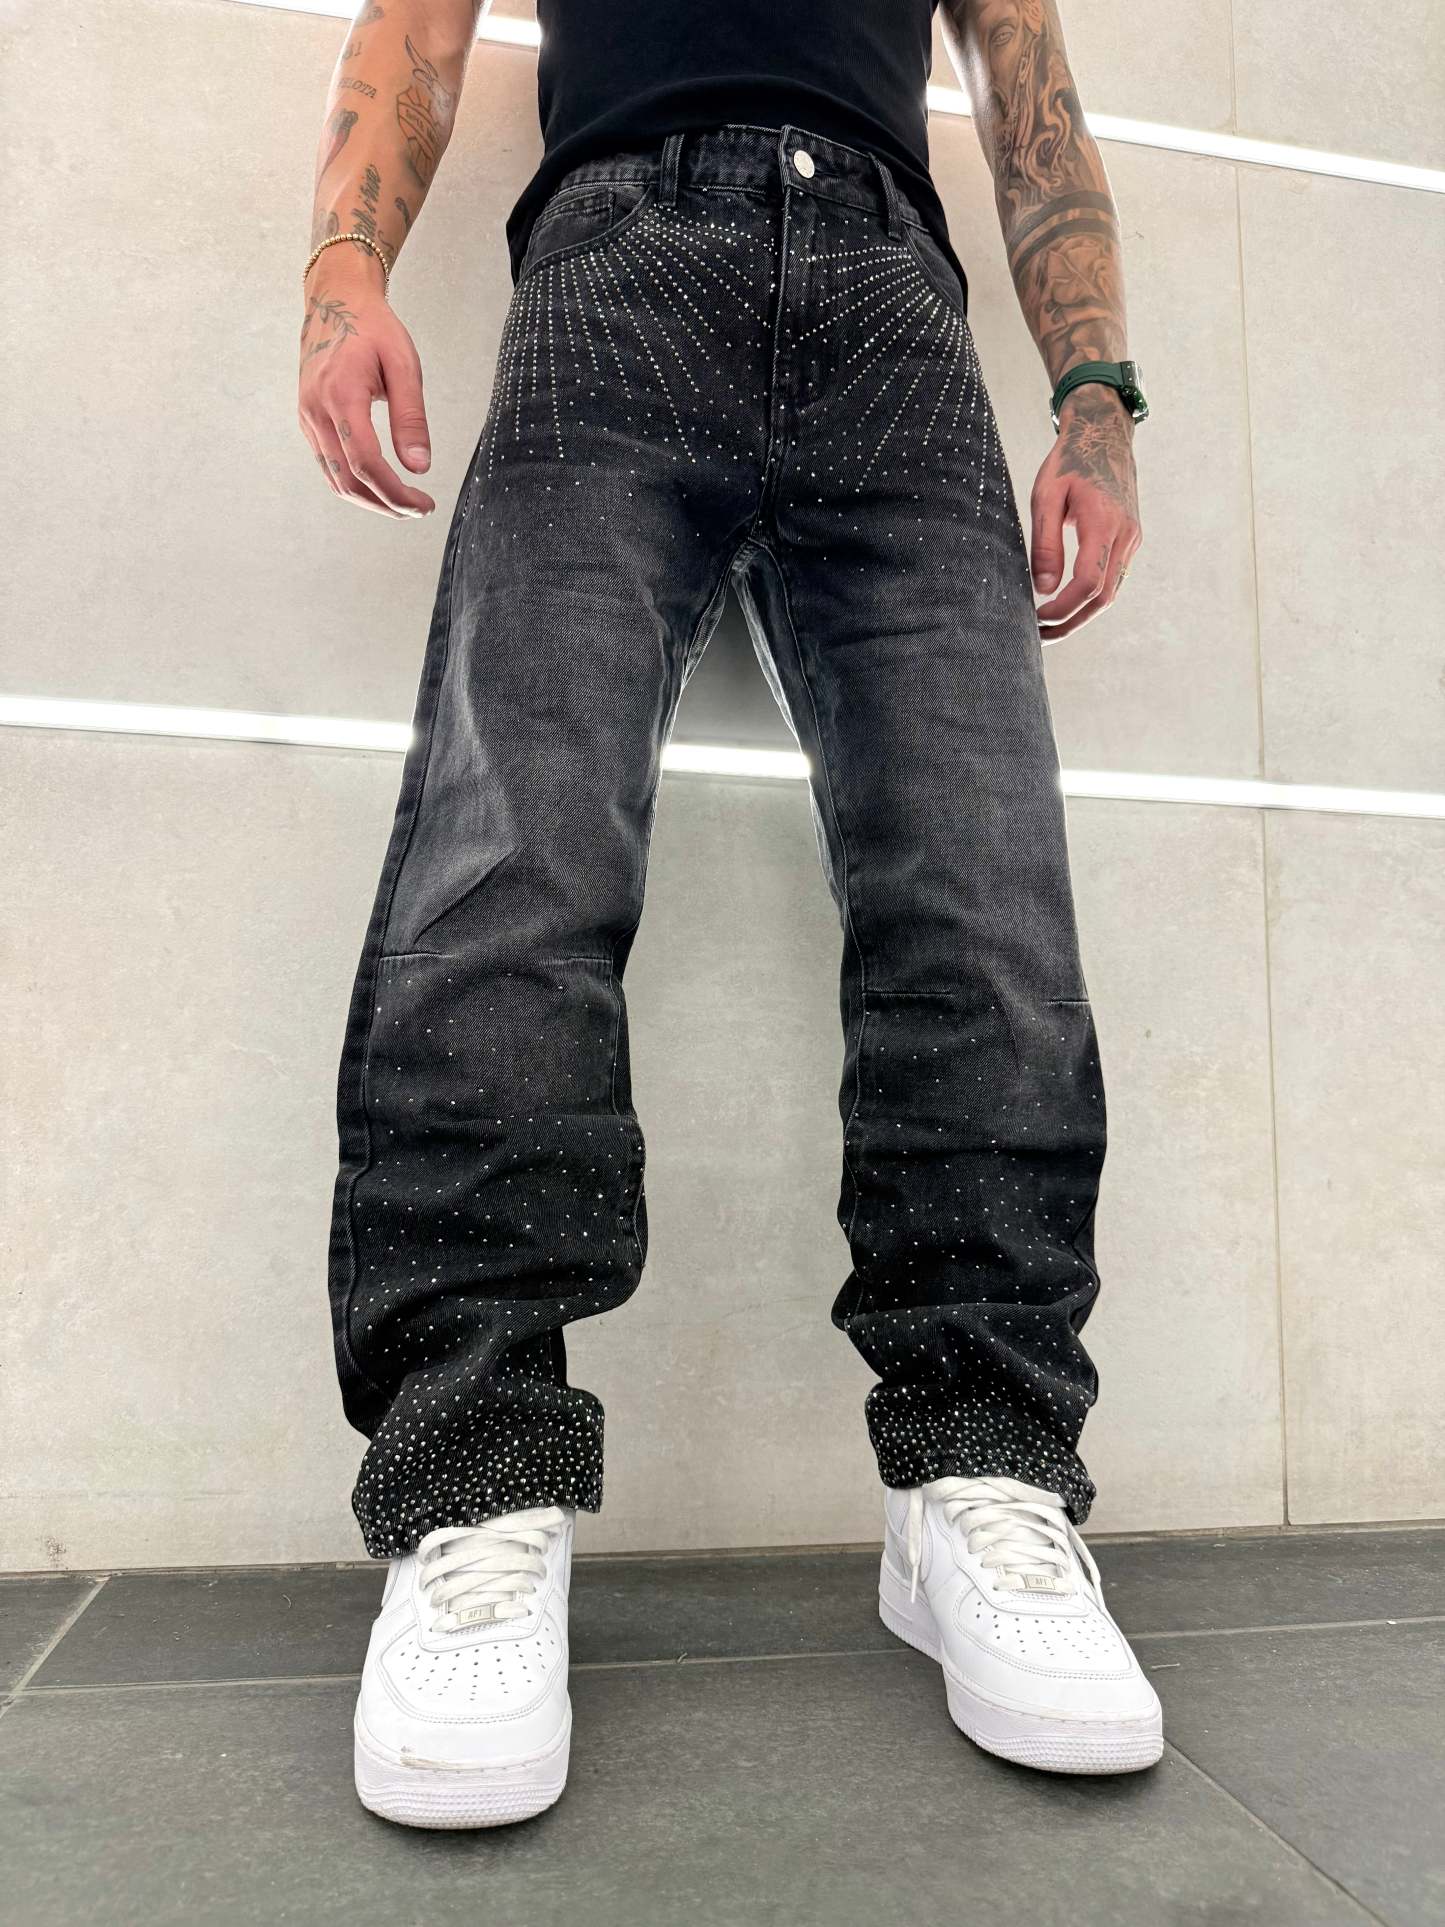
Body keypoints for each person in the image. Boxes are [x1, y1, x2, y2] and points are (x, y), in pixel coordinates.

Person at [298, 0, 1160, 1830]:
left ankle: (980, 1476)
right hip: (616, 262)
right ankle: (472, 1490)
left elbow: (1026, 81)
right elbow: (420, 24)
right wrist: (342, 272)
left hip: (894, 304)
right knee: (513, 865)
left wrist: (1093, 390)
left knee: (982, 895)